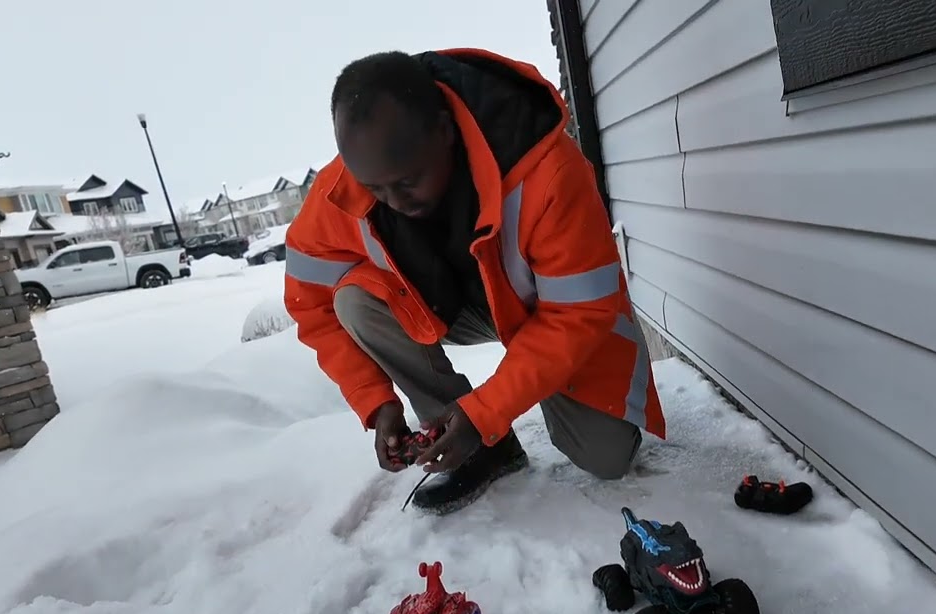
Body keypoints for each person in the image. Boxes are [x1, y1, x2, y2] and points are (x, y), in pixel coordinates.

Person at [283, 48, 666, 515]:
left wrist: (487, 409)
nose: (393, 201)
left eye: (408, 182)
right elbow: (310, 304)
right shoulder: (346, 188)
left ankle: (493, 420)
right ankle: (481, 448)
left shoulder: (547, 170)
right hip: (452, 308)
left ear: (444, 132)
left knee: (607, 458)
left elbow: (579, 312)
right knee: (353, 301)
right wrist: (376, 402)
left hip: (548, 313)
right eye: (375, 189)